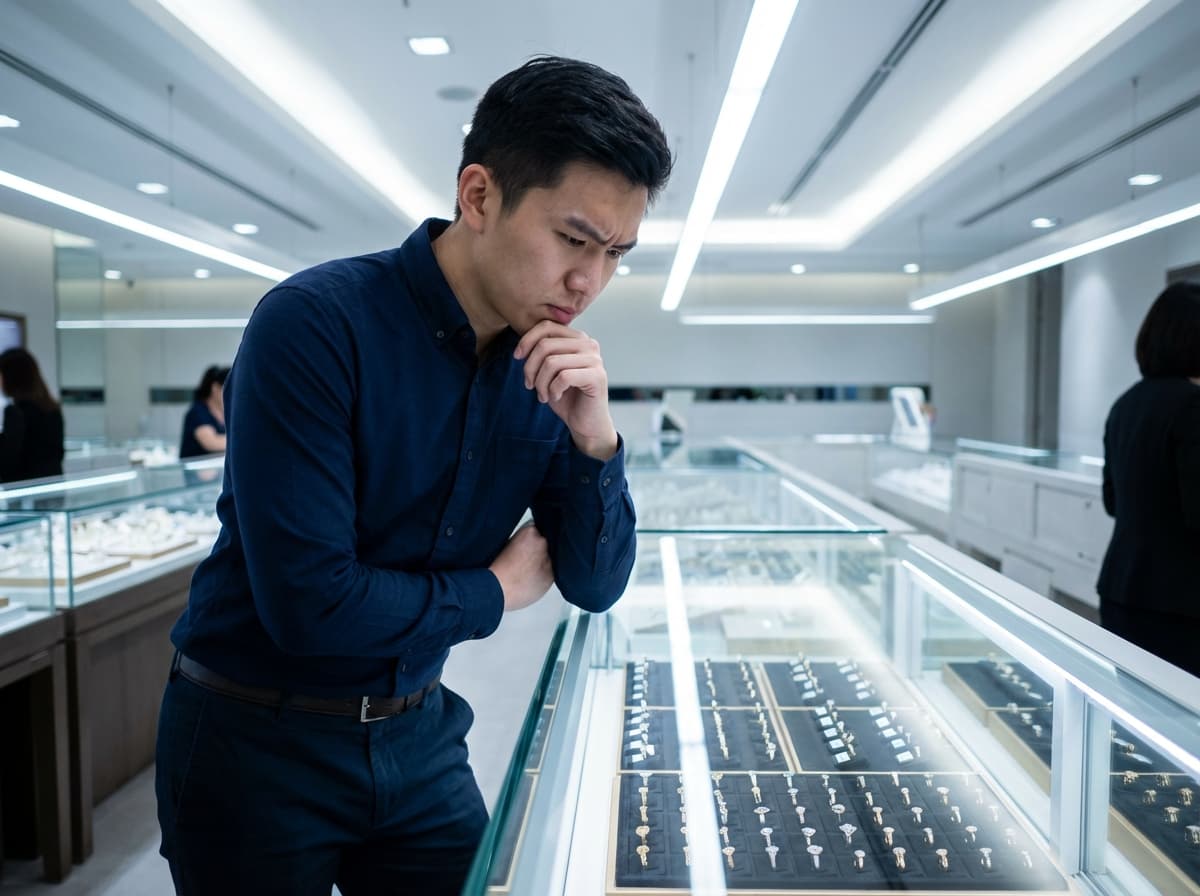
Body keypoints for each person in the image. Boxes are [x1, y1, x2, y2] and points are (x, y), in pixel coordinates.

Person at [155, 55, 672, 895]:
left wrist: (595, 438)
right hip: (255, 741)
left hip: (417, 732)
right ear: (479, 196)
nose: (590, 281)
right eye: (574, 240)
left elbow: (593, 582)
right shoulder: (314, 325)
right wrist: (493, 591)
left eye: (616, 253)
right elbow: (311, 606)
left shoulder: (548, 367)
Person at [1097, 281, 1200, 677]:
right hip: (1180, 603)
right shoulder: (1192, 406)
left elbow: (1112, 502)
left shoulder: (1126, 403)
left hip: (1122, 589)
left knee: (1133, 704)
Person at [0, 347, 64, 482]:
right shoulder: (51, 409)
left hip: (23, 489)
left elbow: (8, 461)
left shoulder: (16, 413)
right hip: (52, 487)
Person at [178, 365, 228, 458]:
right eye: (228, 389)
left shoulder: (225, 413)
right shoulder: (198, 412)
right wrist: (243, 440)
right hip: (194, 466)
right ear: (215, 388)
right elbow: (212, 443)